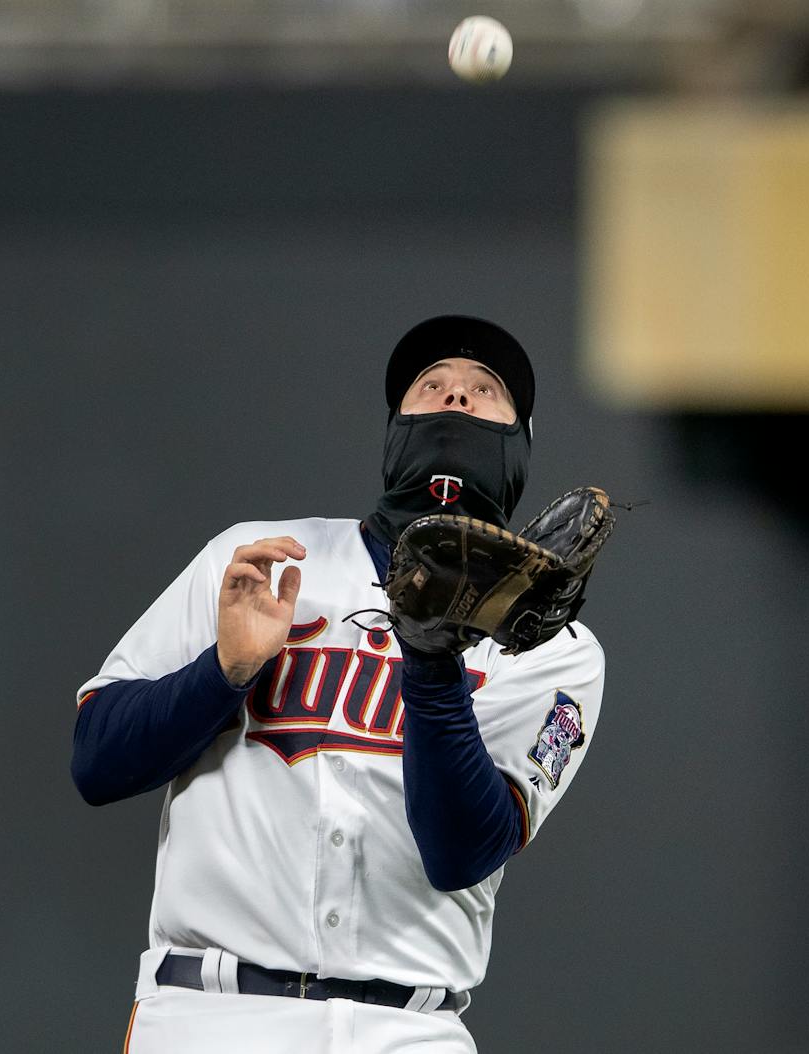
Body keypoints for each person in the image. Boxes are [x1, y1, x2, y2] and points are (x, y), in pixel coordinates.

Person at [72, 315, 606, 1053]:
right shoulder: (258, 560)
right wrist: (222, 672)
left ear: (519, 444)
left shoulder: (551, 648)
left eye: (484, 392)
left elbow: (461, 852)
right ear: (395, 430)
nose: (455, 398)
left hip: (408, 1030)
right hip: (211, 1017)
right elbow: (96, 760)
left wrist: (432, 661)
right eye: (432, 386)